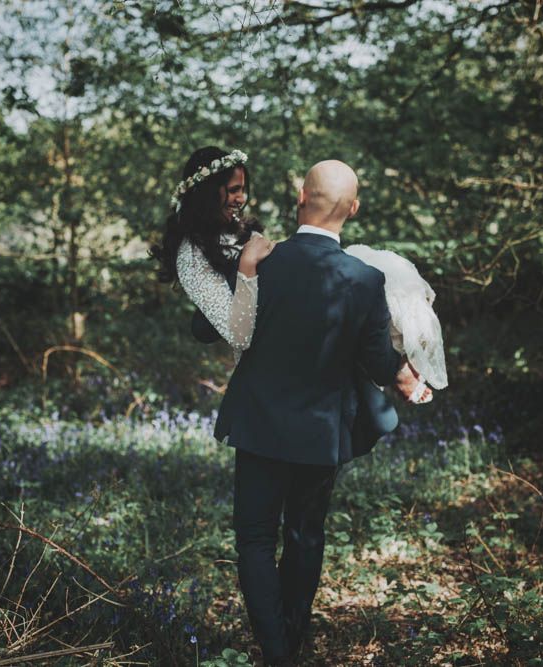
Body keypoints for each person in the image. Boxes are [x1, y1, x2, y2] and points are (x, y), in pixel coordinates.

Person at [213, 160, 410, 665]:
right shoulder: (366, 280)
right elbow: (378, 363)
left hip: (259, 426)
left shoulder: (262, 260)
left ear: (301, 196)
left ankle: (276, 651)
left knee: (255, 539)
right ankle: (290, 643)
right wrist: (408, 363)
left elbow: (214, 323)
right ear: (354, 209)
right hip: (320, 434)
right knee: (305, 537)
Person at [149, 146, 275, 356]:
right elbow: (239, 337)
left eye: (243, 190)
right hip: (260, 363)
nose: (242, 198)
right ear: (209, 192)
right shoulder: (191, 254)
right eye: (234, 190)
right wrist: (247, 264)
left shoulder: (239, 230)